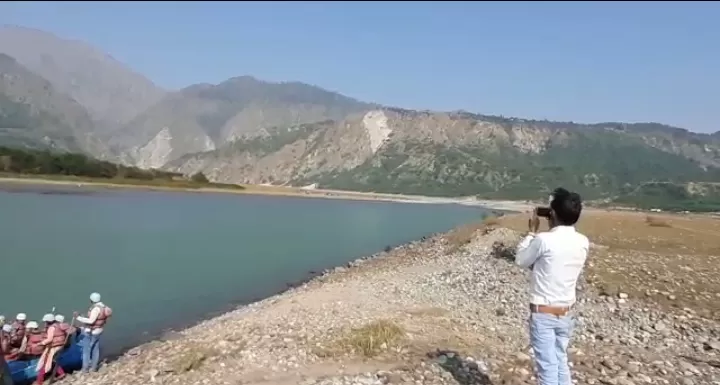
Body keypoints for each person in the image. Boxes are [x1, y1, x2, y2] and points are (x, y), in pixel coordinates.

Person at [515, 188, 589, 385]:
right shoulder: (583, 242)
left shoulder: (543, 240)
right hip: (566, 312)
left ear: (552, 214)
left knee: (547, 367)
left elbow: (521, 260)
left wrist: (531, 232)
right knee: (560, 361)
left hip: (544, 313)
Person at [74, 292, 112, 373]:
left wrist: (78, 318)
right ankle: (94, 368)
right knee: (95, 349)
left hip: (91, 331)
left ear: (92, 300)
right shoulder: (103, 307)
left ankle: (85, 369)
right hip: (99, 330)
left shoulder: (95, 308)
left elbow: (91, 321)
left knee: (86, 350)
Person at [36, 314, 67, 384]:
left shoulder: (51, 328)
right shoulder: (58, 325)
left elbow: (49, 339)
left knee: (45, 362)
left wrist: (41, 343)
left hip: (53, 347)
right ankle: (61, 373)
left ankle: (39, 381)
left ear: (48, 321)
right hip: (60, 346)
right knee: (53, 361)